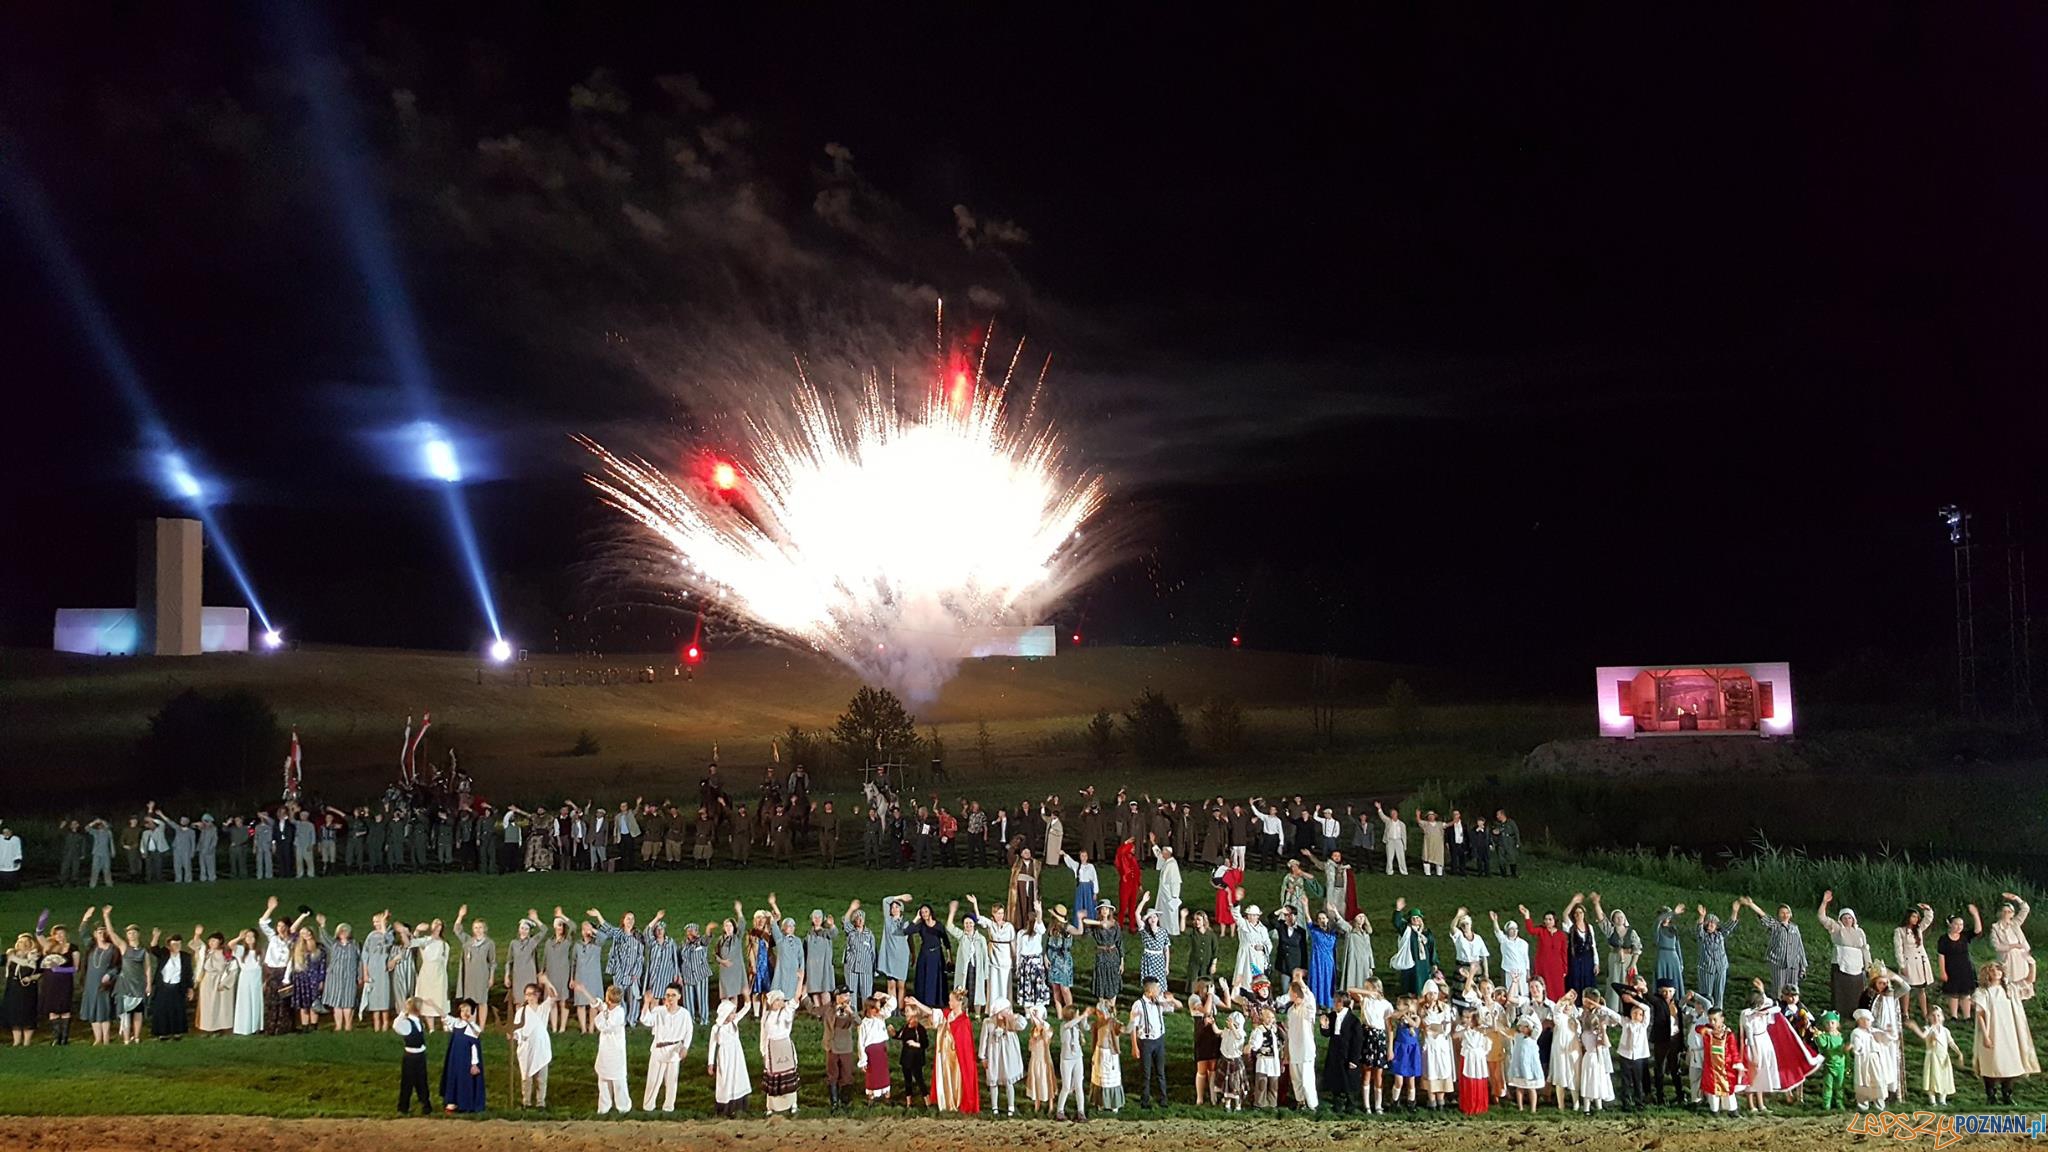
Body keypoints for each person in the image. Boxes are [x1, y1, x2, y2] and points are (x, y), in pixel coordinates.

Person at [1971, 960, 2039, 1105]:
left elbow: (2028, 981)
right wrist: (1986, 1036)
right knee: (1991, 1063)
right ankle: (1991, 1095)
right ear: (1987, 974)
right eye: (1993, 970)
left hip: (2009, 1032)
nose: (1996, 973)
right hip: (1992, 1032)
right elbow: (1980, 1015)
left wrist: (2032, 965)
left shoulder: (2010, 989)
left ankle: (2007, 1095)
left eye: (1999, 970)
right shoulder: (1982, 992)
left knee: (2010, 1063)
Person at [1817, 890, 1872, 1017]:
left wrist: (1868, 965)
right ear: (1841, 919)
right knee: (1841, 990)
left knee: (1856, 990)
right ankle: (1840, 1012)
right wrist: (1824, 902)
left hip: (1857, 965)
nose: (1847, 920)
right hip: (1841, 963)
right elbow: (1822, 918)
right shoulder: (1837, 928)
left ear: (1853, 919)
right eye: (1845, 917)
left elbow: (1864, 949)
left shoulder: (1860, 932)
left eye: (1849, 918)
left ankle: (1855, 1013)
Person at [642, 983, 695, 1112]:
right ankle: (648, 1106)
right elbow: (646, 1020)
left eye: (673, 995)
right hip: (659, 1049)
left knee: (671, 1081)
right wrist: (646, 1004)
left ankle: (668, 1107)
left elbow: (689, 1031)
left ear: (679, 996)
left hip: (674, 1051)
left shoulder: (684, 1014)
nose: (670, 998)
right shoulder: (659, 1011)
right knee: (653, 1079)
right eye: (667, 995)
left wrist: (685, 1047)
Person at [584, 983, 632, 1114]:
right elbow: (597, 1004)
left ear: (608, 998)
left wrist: (599, 1016)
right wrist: (583, 989)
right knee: (604, 1080)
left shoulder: (619, 1013)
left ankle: (623, 1106)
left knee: (618, 1081)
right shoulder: (608, 1008)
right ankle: (604, 1107)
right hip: (605, 1051)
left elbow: (604, 1026)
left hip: (616, 1052)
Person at [511, 974, 557, 1108]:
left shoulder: (543, 1008)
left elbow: (554, 995)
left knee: (541, 1078)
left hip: (541, 1046)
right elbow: (516, 1029)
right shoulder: (521, 1011)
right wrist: (514, 1036)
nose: (529, 997)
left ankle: (540, 1102)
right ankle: (526, 1101)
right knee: (526, 1076)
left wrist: (546, 982)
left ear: (537, 995)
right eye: (527, 994)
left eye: (532, 994)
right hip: (526, 1046)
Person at [761, 980, 805, 1116]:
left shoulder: (787, 1011)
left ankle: (793, 1104)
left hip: (784, 1045)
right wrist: (763, 1051)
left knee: (789, 1074)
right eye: (777, 1001)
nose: (780, 1003)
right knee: (773, 1076)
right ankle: (771, 1106)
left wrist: (799, 979)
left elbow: (796, 997)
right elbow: (764, 1034)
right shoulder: (767, 1016)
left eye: (781, 1000)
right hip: (773, 1047)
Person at [1907, 1005, 1963, 1107]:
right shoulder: (1929, 1029)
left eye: (1938, 1015)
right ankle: (1932, 1100)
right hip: (1933, 1056)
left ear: (1942, 1017)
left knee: (1944, 1077)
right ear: (1929, 1017)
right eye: (1933, 1016)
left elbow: (1951, 1043)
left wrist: (1959, 1053)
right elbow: (1923, 1036)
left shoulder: (1945, 1030)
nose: (1936, 1018)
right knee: (1932, 1077)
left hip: (1943, 1057)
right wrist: (1915, 1028)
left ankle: (1942, 1099)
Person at [708, 997, 754, 1117]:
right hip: (725, 1055)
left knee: (737, 1077)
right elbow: (712, 1045)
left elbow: (745, 1009)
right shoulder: (716, 1028)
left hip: (736, 1054)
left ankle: (739, 1105)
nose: (734, 1015)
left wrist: (747, 999)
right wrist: (710, 1063)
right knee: (726, 1079)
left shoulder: (734, 1022)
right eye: (732, 1013)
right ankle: (725, 1107)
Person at [440, 998, 486, 1113]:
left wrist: (474, 1064)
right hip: (455, 1058)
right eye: (462, 1010)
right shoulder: (456, 1023)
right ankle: (452, 1101)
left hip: (466, 1060)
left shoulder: (473, 1028)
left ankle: (465, 1103)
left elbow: (474, 1047)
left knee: (464, 1080)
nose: (465, 1013)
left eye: (467, 1010)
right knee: (453, 1078)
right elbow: (444, 1016)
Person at [1939, 905, 1983, 1021]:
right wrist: (1943, 971)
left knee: (1965, 993)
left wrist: (1975, 914)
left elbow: (1977, 930)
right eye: (1957, 924)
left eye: (1961, 925)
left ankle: (1967, 1016)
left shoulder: (1964, 936)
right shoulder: (1944, 939)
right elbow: (1941, 956)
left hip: (1965, 968)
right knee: (1953, 993)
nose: (1959, 927)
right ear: (1950, 924)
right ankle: (1954, 1015)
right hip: (1951, 968)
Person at [394, 997, 434, 1115]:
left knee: (422, 1082)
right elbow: (396, 1026)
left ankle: (426, 1106)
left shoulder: (418, 1022)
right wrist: (403, 1012)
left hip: (420, 1056)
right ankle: (403, 1107)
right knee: (407, 1083)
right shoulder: (407, 1023)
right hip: (411, 1057)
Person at [856, 992, 895, 1105]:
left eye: (879, 1008)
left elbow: (892, 1004)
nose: (878, 1011)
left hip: (881, 1050)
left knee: (883, 1073)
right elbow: (861, 1043)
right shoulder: (864, 1024)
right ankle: (871, 1098)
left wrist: (885, 996)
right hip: (871, 1053)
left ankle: (886, 1096)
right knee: (872, 1075)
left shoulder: (881, 1017)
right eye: (875, 1008)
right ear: (869, 1009)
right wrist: (863, 1060)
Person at [1054, 1002, 1090, 1119]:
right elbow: (1069, 1025)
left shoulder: (1076, 1025)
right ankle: (1060, 1111)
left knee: (1079, 1085)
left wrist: (1085, 1017)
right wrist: (1082, 1016)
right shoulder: (1064, 1026)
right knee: (1066, 1086)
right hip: (1067, 1059)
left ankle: (1081, 1111)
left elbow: (1086, 1027)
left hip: (1077, 1057)